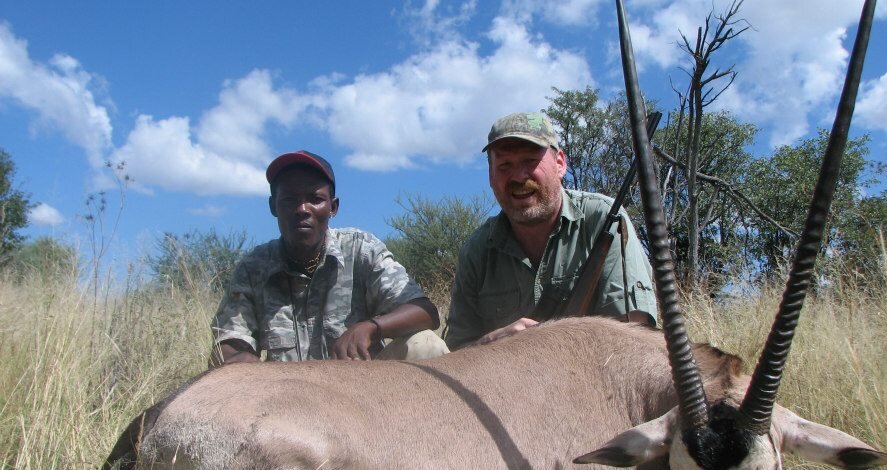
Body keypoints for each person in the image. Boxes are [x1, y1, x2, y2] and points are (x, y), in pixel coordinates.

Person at [210, 150, 447, 365]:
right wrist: (241, 361)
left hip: (365, 395)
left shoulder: (361, 249)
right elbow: (229, 343)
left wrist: (372, 327)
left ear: (333, 207)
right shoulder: (254, 267)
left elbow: (425, 312)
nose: (302, 209)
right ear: (273, 206)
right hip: (285, 398)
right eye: (289, 200)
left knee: (425, 344)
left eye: (315, 199)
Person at [445, 112, 657, 350]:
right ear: (491, 177)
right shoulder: (476, 251)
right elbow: (455, 353)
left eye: (530, 161)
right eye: (504, 165)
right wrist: (491, 345)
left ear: (560, 164)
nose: (518, 176)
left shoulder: (605, 219)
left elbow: (635, 335)